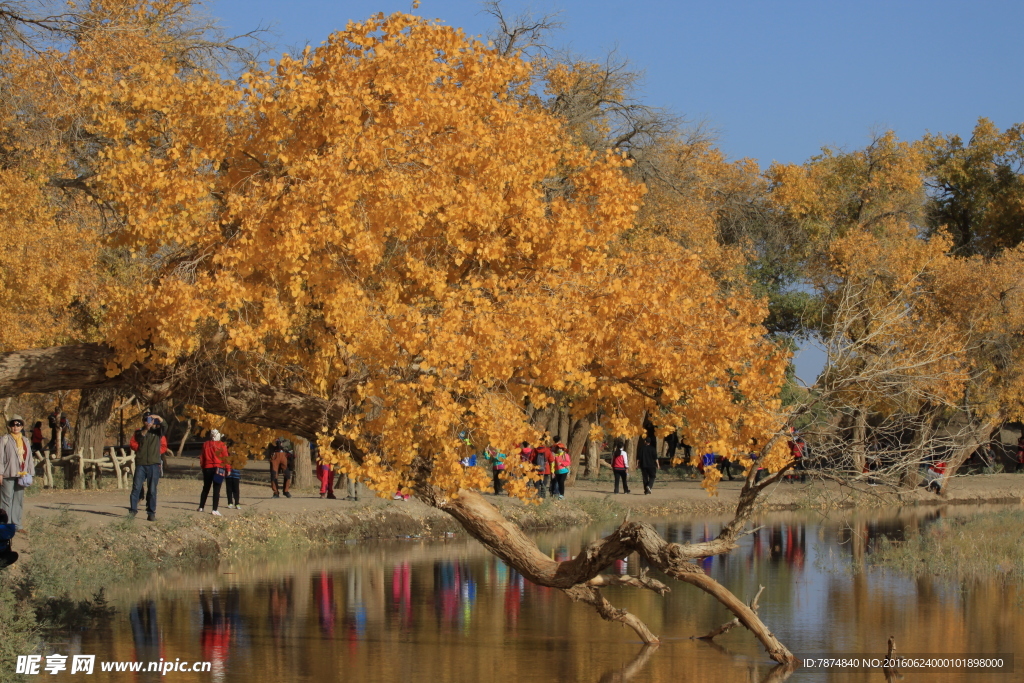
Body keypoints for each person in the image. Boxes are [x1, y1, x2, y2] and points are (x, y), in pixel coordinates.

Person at [129, 412, 168, 521]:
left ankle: (151, 513)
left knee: (152, 490)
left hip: (153, 464)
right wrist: (146, 428)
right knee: (136, 488)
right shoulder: (138, 432)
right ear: (143, 421)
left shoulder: (158, 432)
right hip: (141, 464)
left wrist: (159, 417)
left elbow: (165, 427)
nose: (149, 422)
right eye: (146, 420)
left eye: (151, 420)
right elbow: (138, 439)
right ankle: (132, 511)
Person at [0, 415, 32, 530]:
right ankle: (6, 524)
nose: (15, 427)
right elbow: (0, 457)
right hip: (8, 474)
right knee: (6, 500)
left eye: (18, 424)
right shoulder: (5, 439)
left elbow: (29, 458)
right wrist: (0, 473)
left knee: (18, 500)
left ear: (22, 426)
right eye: (13, 424)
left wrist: (30, 473)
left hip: (22, 475)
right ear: (10, 426)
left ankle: (17, 524)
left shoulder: (25, 440)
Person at [198, 429, 230, 516]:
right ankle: (214, 509)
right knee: (216, 489)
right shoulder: (222, 445)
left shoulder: (205, 444)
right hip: (219, 468)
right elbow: (225, 458)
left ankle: (201, 507)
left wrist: (203, 466)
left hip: (207, 468)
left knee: (206, 488)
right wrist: (228, 469)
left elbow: (202, 457)